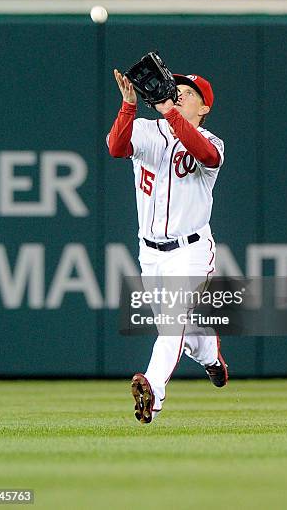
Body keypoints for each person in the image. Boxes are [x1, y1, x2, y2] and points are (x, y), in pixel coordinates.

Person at [107, 68, 228, 423]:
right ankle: (209, 354)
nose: (178, 94)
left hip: (190, 248)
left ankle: (153, 391)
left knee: (172, 325)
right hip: (150, 251)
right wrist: (129, 105)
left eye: (187, 93)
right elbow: (116, 148)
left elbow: (204, 154)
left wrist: (169, 112)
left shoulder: (212, 141)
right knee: (180, 330)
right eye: (175, 88)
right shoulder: (148, 129)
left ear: (204, 107)